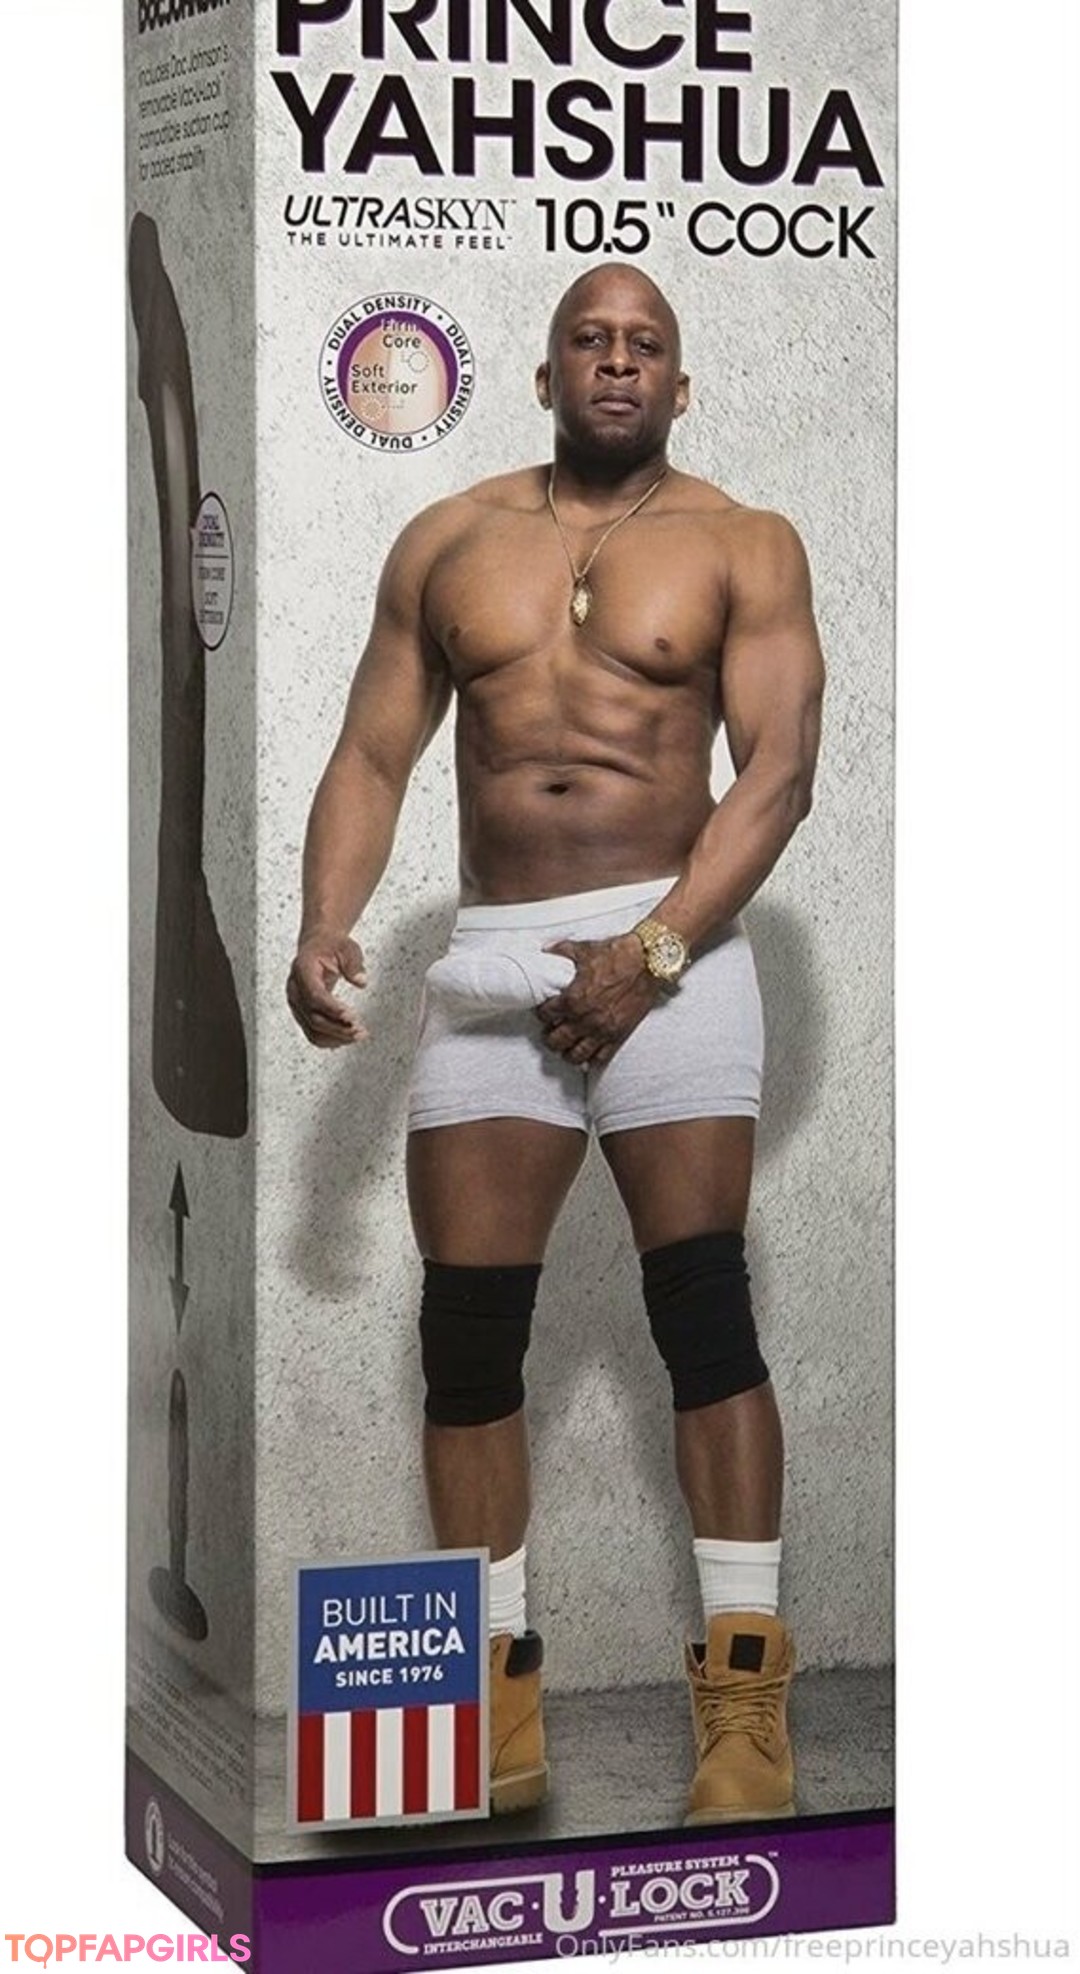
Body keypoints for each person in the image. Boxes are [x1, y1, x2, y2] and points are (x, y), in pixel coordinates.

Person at [287, 263, 825, 1827]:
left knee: (703, 1311)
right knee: (468, 1339)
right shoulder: (447, 542)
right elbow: (373, 750)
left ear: (681, 383)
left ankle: (744, 1706)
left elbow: (778, 774)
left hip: (677, 943)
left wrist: (651, 955)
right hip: (497, 954)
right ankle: (491, 1704)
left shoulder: (743, 541)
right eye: (590, 339)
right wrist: (327, 921)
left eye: (646, 344)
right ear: (543, 374)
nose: (617, 361)